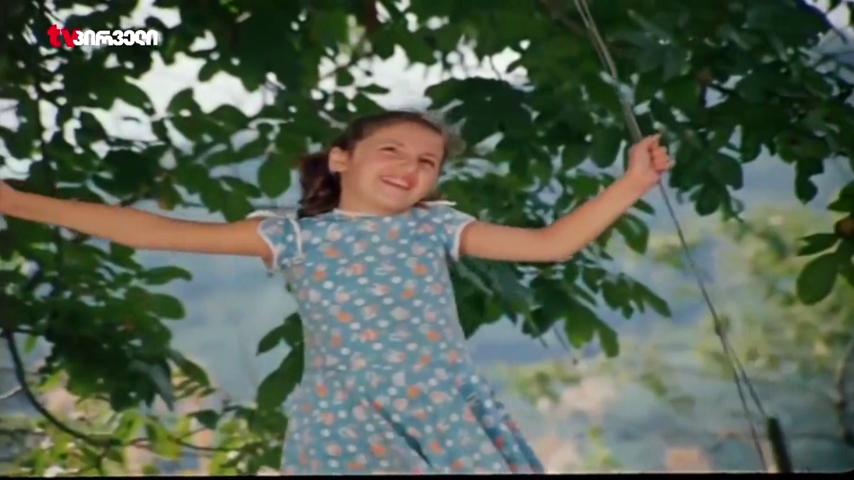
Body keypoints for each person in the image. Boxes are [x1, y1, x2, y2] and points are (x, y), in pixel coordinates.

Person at [0, 109, 672, 474]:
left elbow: (552, 244)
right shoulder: (294, 235)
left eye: (427, 161)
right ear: (342, 159)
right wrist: (16, 202)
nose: (410, 167)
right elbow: (154, 231)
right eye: (392, 151)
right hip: (346, 418)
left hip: (439, 408)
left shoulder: (437, 226)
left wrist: (633, 183)